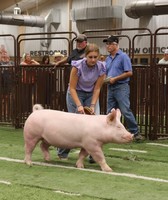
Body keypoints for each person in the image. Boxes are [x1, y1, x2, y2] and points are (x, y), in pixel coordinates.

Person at [57, 43, 106, 161]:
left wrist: (93, 105)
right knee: (75, 125)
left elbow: (97, 88)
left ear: (98, 56)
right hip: (76, 93)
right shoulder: (77, 66)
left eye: (95, 57)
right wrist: (79, 105)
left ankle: (93, 154)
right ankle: (62, 151)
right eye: (90, 57)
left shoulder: (102, 67)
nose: (93, 60)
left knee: (95, 122)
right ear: (85, 56)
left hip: (91, 94)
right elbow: (72, 88)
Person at [103, 35, 143, 141]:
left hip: (121, 86)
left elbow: (129, 72)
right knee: (110, 111)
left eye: (109, 44)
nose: (107, 46)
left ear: (115, 44)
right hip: (111, 86)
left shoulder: (123, 56)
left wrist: (115, 79)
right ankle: (110, 133)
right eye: (107, 44)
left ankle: (135, 132)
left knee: (125, 110)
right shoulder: (107, 59)